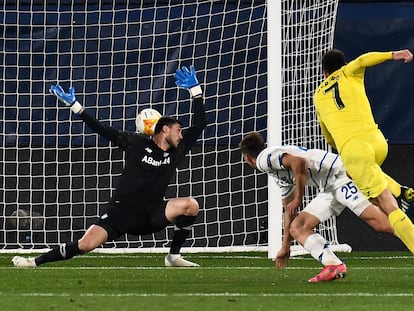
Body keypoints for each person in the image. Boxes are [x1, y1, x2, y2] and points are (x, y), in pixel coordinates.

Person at [12, 65, 206, 268]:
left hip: (152, 213)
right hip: (121, 213)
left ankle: (173, 257)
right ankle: (34, 262)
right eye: (178, 130)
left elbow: (200, 124)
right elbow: (101, 129)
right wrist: (77, 107)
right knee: (85, 244)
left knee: (190, 205)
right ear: (165, 129)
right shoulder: (135, 143)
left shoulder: (178, 149)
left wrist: (195, 92)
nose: (182, 134)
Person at [240, 132, 398, 282]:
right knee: (298, 227)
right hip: (329, 188)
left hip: (341, 175)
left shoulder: (263, 160)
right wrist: (285, 246)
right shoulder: (276, 173)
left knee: (381, 224)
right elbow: (289, 210)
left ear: (247, 157)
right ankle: (334, 265)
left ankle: (408, 232)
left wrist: (298, 198)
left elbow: (298, 162)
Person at [313, 49, 414, 253]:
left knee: (386, 204)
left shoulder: (318, 96)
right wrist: (392, 55)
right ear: (343, 64)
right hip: (376, 140)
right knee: (357, 170)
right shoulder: (349, 72)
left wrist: (342, 145)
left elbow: (328, 137)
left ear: (324, 73)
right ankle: (400, 190)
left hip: (354, 149)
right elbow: (362, 60)